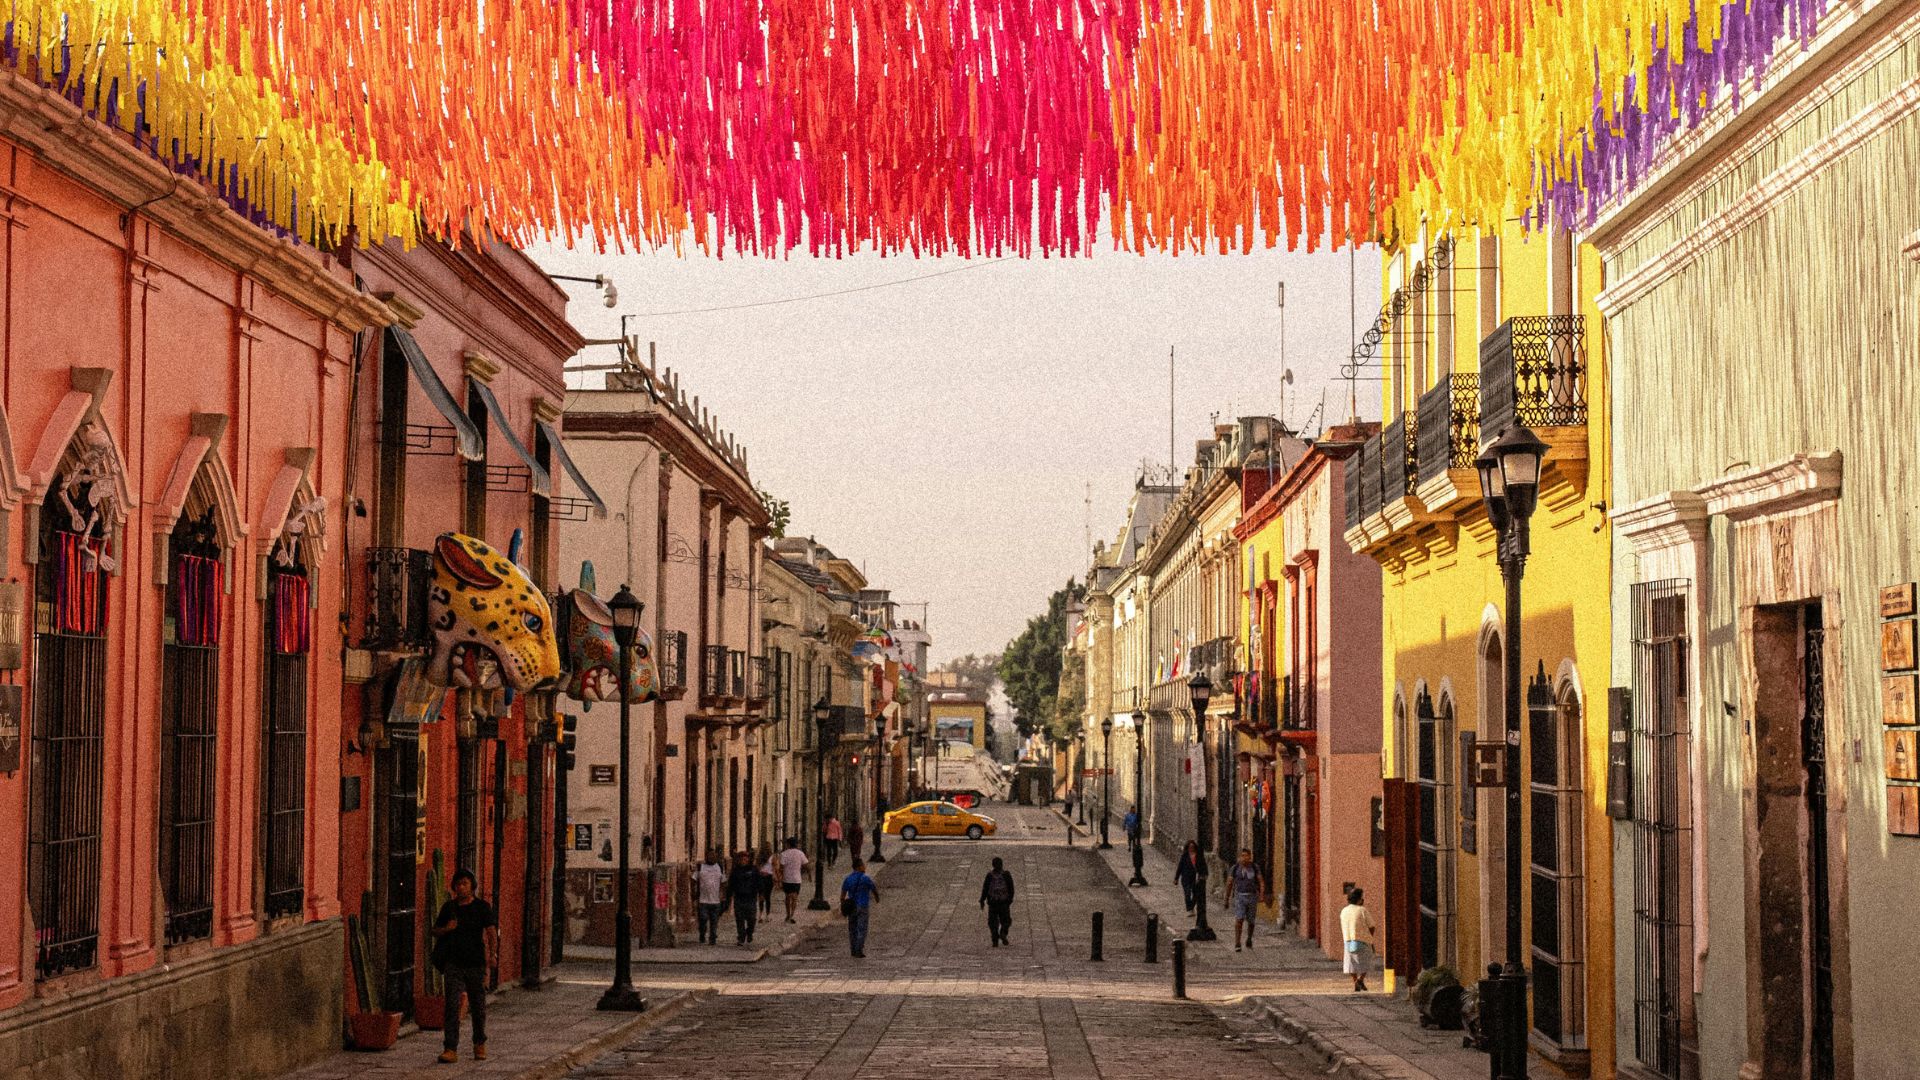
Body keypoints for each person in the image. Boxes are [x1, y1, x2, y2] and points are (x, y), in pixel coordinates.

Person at [430, 868, 496, 1064]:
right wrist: (447, 929)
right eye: (458, 884)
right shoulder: (449, 908)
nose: (461, 887)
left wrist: (492, 955)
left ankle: (479, 1043)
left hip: (475, 963)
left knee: (478, 1006)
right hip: (454, 963)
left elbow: (491, 932)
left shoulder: (482, 907)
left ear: (472, 886)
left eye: (465, 883)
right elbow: (434, 931)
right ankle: (450, 1048)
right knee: (452, 1005)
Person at [840, 858, 880, 957]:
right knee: (862, 928)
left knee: (852, 929)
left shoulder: (848, 879)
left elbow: (842, 896)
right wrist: (877, 898)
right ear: (859, 866)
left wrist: (844, 907)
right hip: (862, 906)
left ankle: (853, 949)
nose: (864, 867)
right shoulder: (865, 878)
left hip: (852, 907)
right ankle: (859, 949)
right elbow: (874, 888)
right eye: (863, 865)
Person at [1341, 888, 1377, 992]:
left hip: (1347, 940)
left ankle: (1355, 980)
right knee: (1367, 961)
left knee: (1351, 963)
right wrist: (1369, 937)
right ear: (1359, 899)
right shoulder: (1362, 910)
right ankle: (1360, 979)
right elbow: (1372, 925)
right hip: (1362, 940)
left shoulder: (1344, 911)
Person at [1227, 848, 1264, 952]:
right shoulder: (1235, 868)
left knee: (1251, 921)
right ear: (1239, 857)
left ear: (1250, 857)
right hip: (1240, 896)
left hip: (1252, 896)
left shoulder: (1254, 867)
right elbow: (1229, 883)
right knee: (1239, 919)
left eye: (1246, 856)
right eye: (1242, 856)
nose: (1245, 858)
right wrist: (1226, 899)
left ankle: (1249, 938)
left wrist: (1261, 894)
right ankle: (1237, 942)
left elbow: (1260, 881)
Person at [979, 856, 1016, 946]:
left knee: (992, 922)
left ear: (993, 865)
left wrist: (982, 900)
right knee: (1006, 920)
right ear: (1002, 865)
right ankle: (1003, 933)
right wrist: (1009, 900)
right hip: (1004, 902)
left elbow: (985, 888)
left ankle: (995, 939)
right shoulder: (1006, 874)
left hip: (993, 902)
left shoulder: (989, 875)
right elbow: (1011, 888)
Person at [728, 850, 762, 945]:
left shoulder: (754, 870)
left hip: (751, 898)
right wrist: (728, 897)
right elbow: (731, 884)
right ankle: (741, 937)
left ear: (748, 859)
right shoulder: (735, 871)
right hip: (739, 898)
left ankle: (749, 932)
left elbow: (759, 882)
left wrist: (761, 893)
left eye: (745, 858)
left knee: (752, 919)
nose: (743, 860)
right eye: (741, 858)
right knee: (739, 918)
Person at [695, 847, 727, 945]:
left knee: (714, 921)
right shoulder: (701, 867)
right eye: (709, 855)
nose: (711, 857)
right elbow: (694, 879)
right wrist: (695, 892)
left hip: (716, 900)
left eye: (713, 855)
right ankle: (702, 934)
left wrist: (723, 895)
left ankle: (712, 938)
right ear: (706, 856)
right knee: (703, 919)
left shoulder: (719, 867)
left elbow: (723, 882)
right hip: (703, 899)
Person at [778, 836, 809, 923]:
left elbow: (781, 867)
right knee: (795, 898)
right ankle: (792, 914)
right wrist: (809, 875)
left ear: (788, 844)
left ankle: (788, 914)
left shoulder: (784, 854)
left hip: (787, 879)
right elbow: (806, 864)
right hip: (797, 879)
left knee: (787, 897)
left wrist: (780, 878)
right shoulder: (800, 853)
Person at [1174, 840, 1202, 914]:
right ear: (1187, 848)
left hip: (1194, 878)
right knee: (1187, 893)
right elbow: (1180, 867)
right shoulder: (1184, 856)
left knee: (1196, 894)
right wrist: (1176, 878)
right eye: (1190, 847)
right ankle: (1189, 909)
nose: (1191, 848)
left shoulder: (1198, 856)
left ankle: (1191, 907)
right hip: (1185, 878)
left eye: (1192, 847)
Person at [756, 844, 776, 916]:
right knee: (764, 896)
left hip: (766, 877)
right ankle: (764, 914)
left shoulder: (772, 857)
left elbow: (774, 867)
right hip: (765, 877)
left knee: (765, 896)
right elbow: (774, 868)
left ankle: (764, 914)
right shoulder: (761, 857)